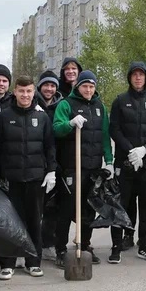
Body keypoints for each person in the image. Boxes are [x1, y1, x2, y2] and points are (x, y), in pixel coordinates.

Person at [0, 76, 57, 280]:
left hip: (36, 179)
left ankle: (33, 262)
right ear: (15, 92)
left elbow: (50, 146)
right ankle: (7, 263)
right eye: (21, 91)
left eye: (29, 91)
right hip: (10, 179)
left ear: (34, 93)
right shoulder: (4, 116)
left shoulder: (42, 118)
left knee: (34, 222)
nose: (25, 95)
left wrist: (51, 171)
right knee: (10, 223)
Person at [52, 70, 113, 267]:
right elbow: (56, 128)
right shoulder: (66, 104)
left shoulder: (100, 108)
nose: (88, 89)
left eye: (91, 86)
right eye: (85, 86)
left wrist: (109, 161)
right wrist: (70, 123)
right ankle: (60, 249)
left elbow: (105, 137)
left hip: (93, 167)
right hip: (71, 166)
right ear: (78, 86)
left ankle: (84, 245)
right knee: (67, 209)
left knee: (89, 209)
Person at [109, 61, 146, 263]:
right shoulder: (120, 100)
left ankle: (144, 245)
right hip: (125, 163)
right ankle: (116, 246)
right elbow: (114, 129)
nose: (138, 78)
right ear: (130, 77)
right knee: (121, 206)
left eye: (141, 74)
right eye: (135, 74)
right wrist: (130, 150)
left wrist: (145, 149)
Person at [35, 69, 63, 262]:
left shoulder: (61, 106)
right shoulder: (32, 102)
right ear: (40, 86)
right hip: (34, 162)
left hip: (56, 161)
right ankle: (31, 245)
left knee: (52, 207)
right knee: (33, 208)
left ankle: (48, 243)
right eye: (46, 84)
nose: (49, 88)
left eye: (53, 85)